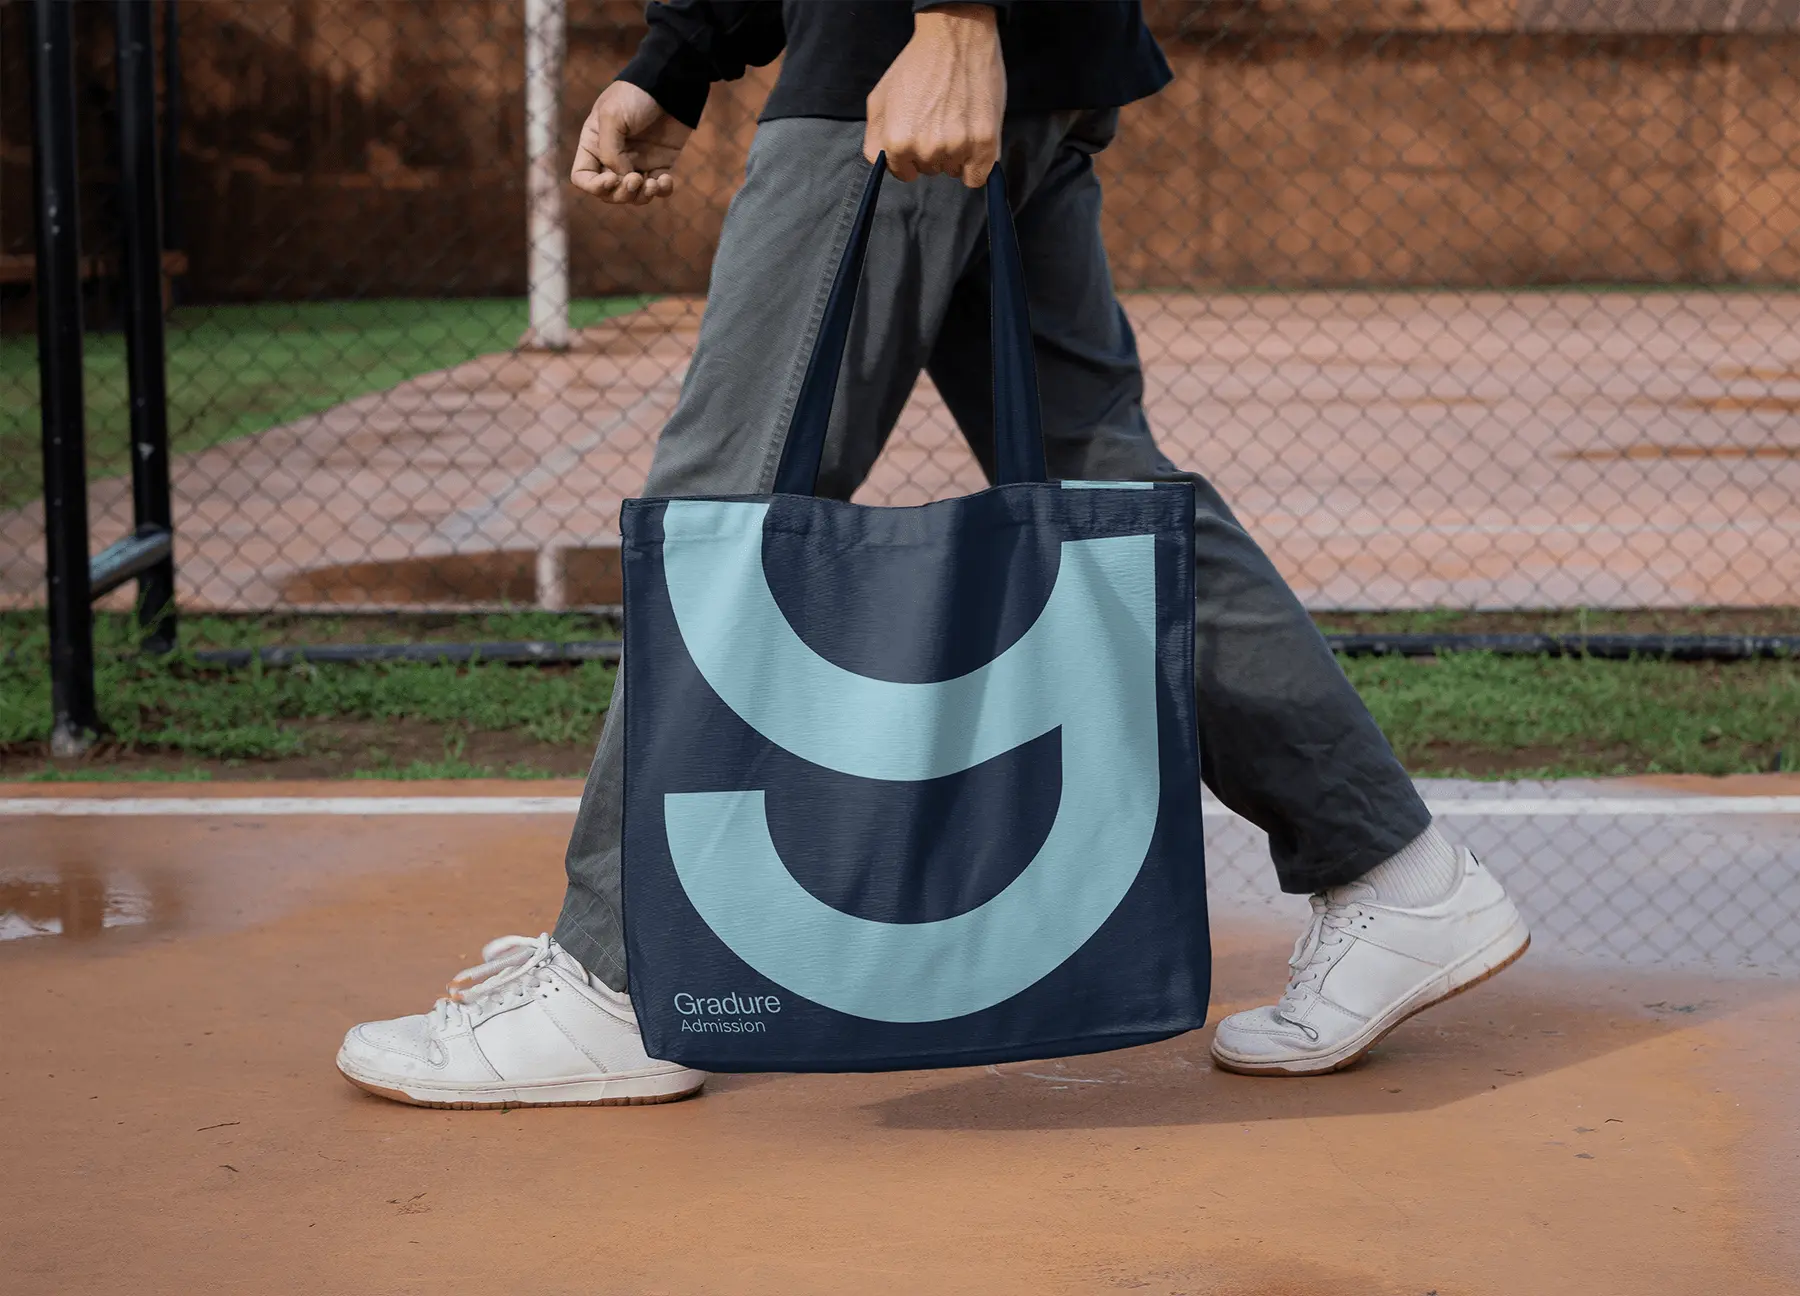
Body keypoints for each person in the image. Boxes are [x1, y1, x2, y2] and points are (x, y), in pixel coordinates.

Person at [336, 1, 1529, 1109]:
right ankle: (1394, 870)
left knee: (729, 505)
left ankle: (619, 977)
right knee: (1102, 495)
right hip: (971, 47)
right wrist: (682, 53)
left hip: (903, 47)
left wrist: (954, 16)